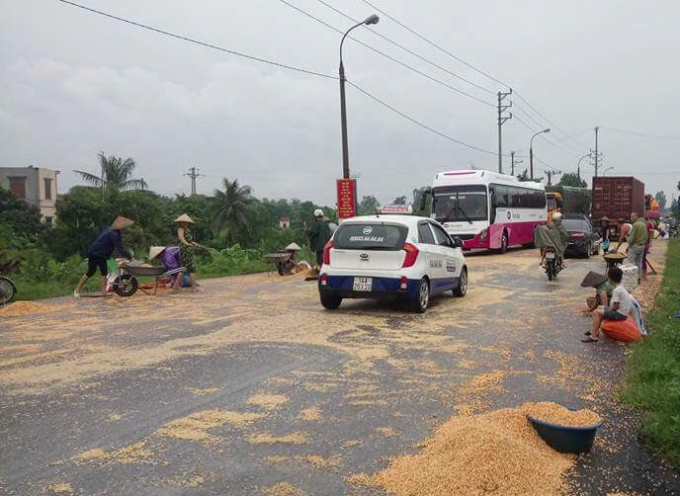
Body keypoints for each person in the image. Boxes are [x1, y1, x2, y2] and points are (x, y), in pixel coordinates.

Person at [74, 216, 134, 298]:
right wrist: (130, 256)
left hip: (96, 252)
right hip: (97, 253)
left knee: (101, 272)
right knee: (96, 272)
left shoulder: (110, 230)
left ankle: (103, 292)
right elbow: (120, 248)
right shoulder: (113, 234)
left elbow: (118, 243)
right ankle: (78, 290)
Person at [583, 267, 632, 343]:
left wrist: (606, 311)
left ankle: (593, 336)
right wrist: (596, 309)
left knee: (596, 312)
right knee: (599, 308)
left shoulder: (615, 290)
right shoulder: (620, 287)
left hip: (620, 313)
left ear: (611, 279)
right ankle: (595, 331)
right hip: (622, 311)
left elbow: (612, 304)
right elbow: (597, 299)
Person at [174, 214, 200, 292]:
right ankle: (194, 287)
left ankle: (176, 286)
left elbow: (189, 240)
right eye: (183, 222)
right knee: (191, 268)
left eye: (186, 222)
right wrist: (186, 244)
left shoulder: (188, 230)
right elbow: (181, 238)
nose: (185, 224)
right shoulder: (180, 229)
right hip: (185, 250)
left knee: (183, 269)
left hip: (189, 249)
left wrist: (195, 243)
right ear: (180, 222)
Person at [627, 212, 648, 285]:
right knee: (639, 263)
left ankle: (632, 280)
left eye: (632, 217)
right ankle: (639, 278)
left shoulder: (635, 225)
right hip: (642, 246)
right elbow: (646, 236)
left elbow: (631, 238)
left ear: (636, 217)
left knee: (631, 263)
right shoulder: (643, 224)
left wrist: (628, 240)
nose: (631, 218)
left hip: (634, 246)